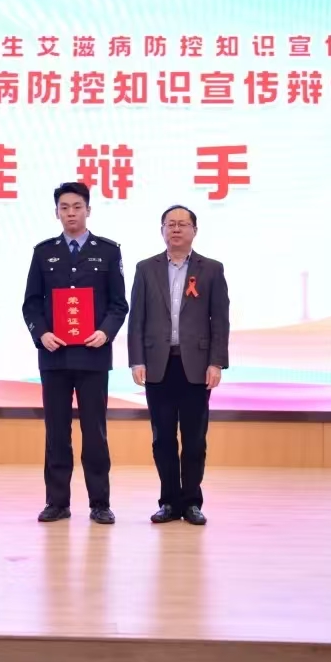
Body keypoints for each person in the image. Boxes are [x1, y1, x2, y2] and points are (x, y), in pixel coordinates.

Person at [22, 181, 129, 525]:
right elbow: (31, 304)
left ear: (88, 210)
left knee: (94, 432)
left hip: (93, 356)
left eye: (77, 207)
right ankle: (57, 502)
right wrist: (42, 334)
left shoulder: (108, 251)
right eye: (64, 207)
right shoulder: (44, 252)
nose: (71, 213)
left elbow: (118, 304)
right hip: (54, 356)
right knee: (56, 432)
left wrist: (105, 332)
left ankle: (100, 502)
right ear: (56, 213)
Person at [127, 204, 229, 526]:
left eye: (182, 224)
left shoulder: (211, 269)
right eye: (170, 224)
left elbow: (220, 320)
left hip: (196, 367)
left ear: (194, 231)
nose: (175, 229)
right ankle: (169, 501)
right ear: (162, 230)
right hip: (158, 365)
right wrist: (136, 359)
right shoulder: (146, 268)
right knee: (162, 439)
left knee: (195, 438)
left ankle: (192, 502)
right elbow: (136, 318)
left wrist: (216, 362)